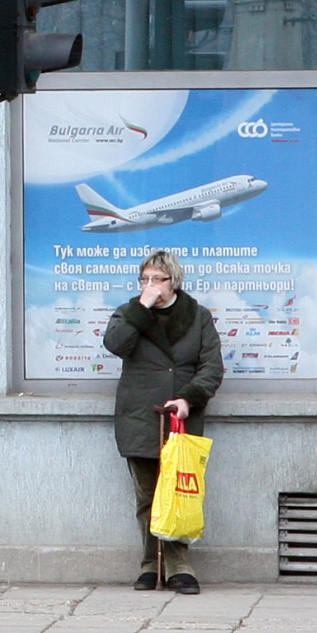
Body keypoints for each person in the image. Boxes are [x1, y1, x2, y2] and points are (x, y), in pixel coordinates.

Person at [101, 250, 223, 595]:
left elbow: (211, 367)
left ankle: (178, 566)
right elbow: (115, 344)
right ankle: (149, 563)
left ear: (174, 281)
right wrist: (142, 306)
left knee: (178, 491)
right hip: (140, 414)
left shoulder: (197, 316)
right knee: (148, 496)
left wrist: (189, 397)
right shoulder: (129, 312)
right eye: (144, 279)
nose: (150, 285)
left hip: (180, 417)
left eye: (157, 279)